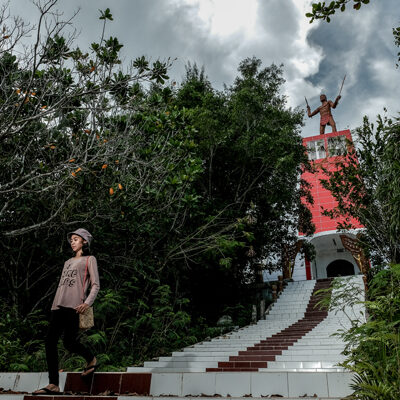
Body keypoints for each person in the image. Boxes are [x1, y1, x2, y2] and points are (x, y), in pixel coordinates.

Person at [33, 228, 100, 395]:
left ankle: (91, 359)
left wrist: (87, 303)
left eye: (76, 239)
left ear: (84, 241)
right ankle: (53, 384)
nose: (72, 241)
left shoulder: (89, 259)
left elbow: (96, 285)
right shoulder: (67, 262)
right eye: (71, 239)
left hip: (75, 307)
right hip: (59, 305)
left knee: (69, 342)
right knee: (50, 341)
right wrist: (55, 304)